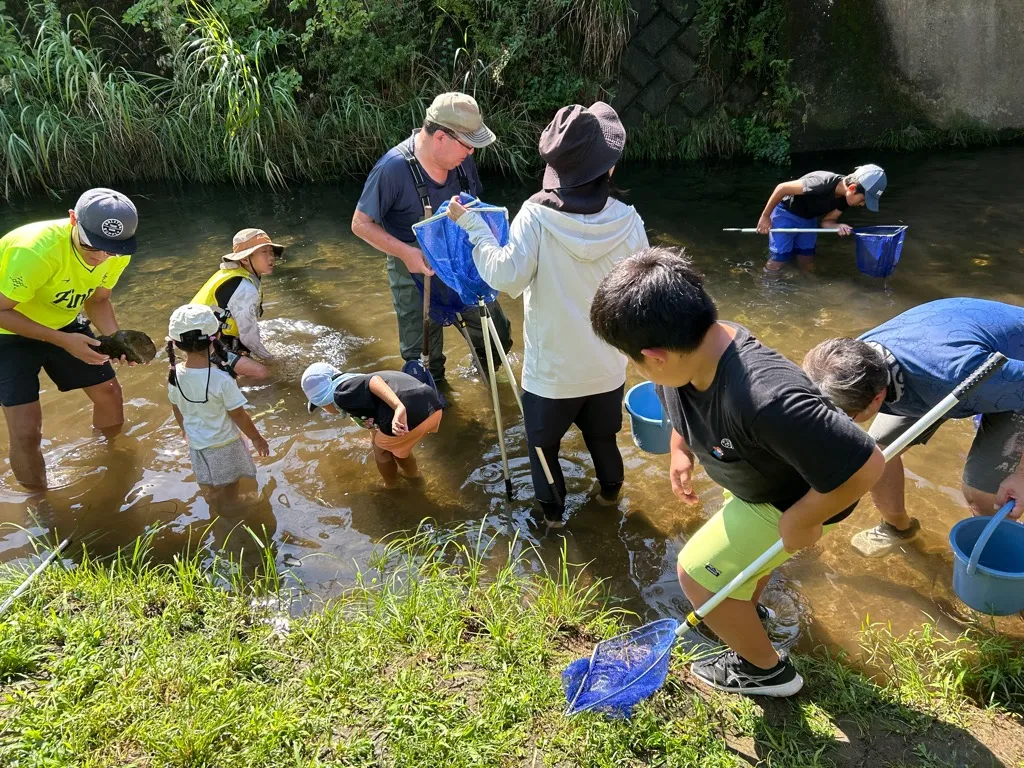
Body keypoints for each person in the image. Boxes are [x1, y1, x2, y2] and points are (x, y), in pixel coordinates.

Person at [589, 247, 884, 697]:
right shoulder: (690, 355)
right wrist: (680, 451)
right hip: (754, 477)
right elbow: (682, 408)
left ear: (656, 354)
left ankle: (766, 671)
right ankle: (745, 612)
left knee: (693, 573)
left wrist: (801, 519)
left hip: (793, 498)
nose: (634, 368)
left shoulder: (768, 398)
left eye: (633, 359)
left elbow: (867, 465)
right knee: (735, 572)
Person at [446, 101, 648, 525]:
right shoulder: (630, 219)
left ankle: (554, 526)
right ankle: (610, 506)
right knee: (604, 441)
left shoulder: (535, 216)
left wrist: (474, 227)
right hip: (606, 367)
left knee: (544, 451)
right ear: (608, 168)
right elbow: (642, 292)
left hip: (553, 374)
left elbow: (507, 278)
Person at [802, 298, 1024, 557]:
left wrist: (1021, 474)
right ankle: (899, 529)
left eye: (848, 416)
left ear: (876, 399)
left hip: (1005, 376)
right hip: (955, 364)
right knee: (876, 455)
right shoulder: (844, 364)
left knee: (983, 494)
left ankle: (1002, 559)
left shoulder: (956, 373)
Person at [351, 92, 512, 385]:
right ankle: (440, 414)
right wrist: (406, 253)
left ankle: (484, 382)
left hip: (460, 260)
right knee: (423, 361)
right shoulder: (393, 169)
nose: (472, 152)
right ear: (440, 137)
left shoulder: (462, 162)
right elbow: (360, 224)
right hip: (412, 267)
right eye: (468, 145)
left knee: (497, 335)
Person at [0, 188, 139, 490]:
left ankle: (111, 458)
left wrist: (115, 340)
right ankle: (39, 504)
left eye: (111, 250)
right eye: (93, 247)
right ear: (73, 219)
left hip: (63, 320)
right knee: (26, 430)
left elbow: (98, 300)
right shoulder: (34, 250)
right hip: (7, 331)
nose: (102, 258)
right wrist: (61, 341)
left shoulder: (116, 253)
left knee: (109, 391)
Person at [166, 304, 269, 502]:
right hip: (225, 445)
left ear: (175, 344)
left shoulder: (174, 375)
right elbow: (238, 415)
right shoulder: (221, 379)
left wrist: (184, 430)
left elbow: (176, 407)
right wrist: (256, 438)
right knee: (231, 485)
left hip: (197, 446)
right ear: (217, 337)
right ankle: (231, 510)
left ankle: (214, 507)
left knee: (212, 484)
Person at [302, 362, 443, 488]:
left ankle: (391, 485)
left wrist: (399, 407)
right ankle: (414, 477)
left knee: (380, 450)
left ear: (323, 399)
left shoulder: (341, 393)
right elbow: (372, 424)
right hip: (432, 407)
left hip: (406, 413)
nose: (324, 410)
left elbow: (373, 381)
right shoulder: (355, 387)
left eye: (320, 406)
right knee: (393, 448)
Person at [755, 164, 887, 274]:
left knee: (807, 258)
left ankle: (810, 284)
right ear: (852, 188)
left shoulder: (846, 200)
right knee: (780, 258)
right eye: (863, 199)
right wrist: (765, 217)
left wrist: (838, 226)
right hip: (786, 214)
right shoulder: (821, 183)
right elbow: (782, 188)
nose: (862, 204)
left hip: (808, 218)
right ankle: (767, 286)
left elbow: (826, 222)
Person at [191, 228, 283, 381]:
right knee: (262, 372)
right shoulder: (245, 288)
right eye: (264, 252)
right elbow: (249, 338)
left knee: (251, 352)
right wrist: (271, 359)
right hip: (201, 347)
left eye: (271, 252)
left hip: (195, 339)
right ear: (245, 259)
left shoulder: (235, 274)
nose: (271, 258)